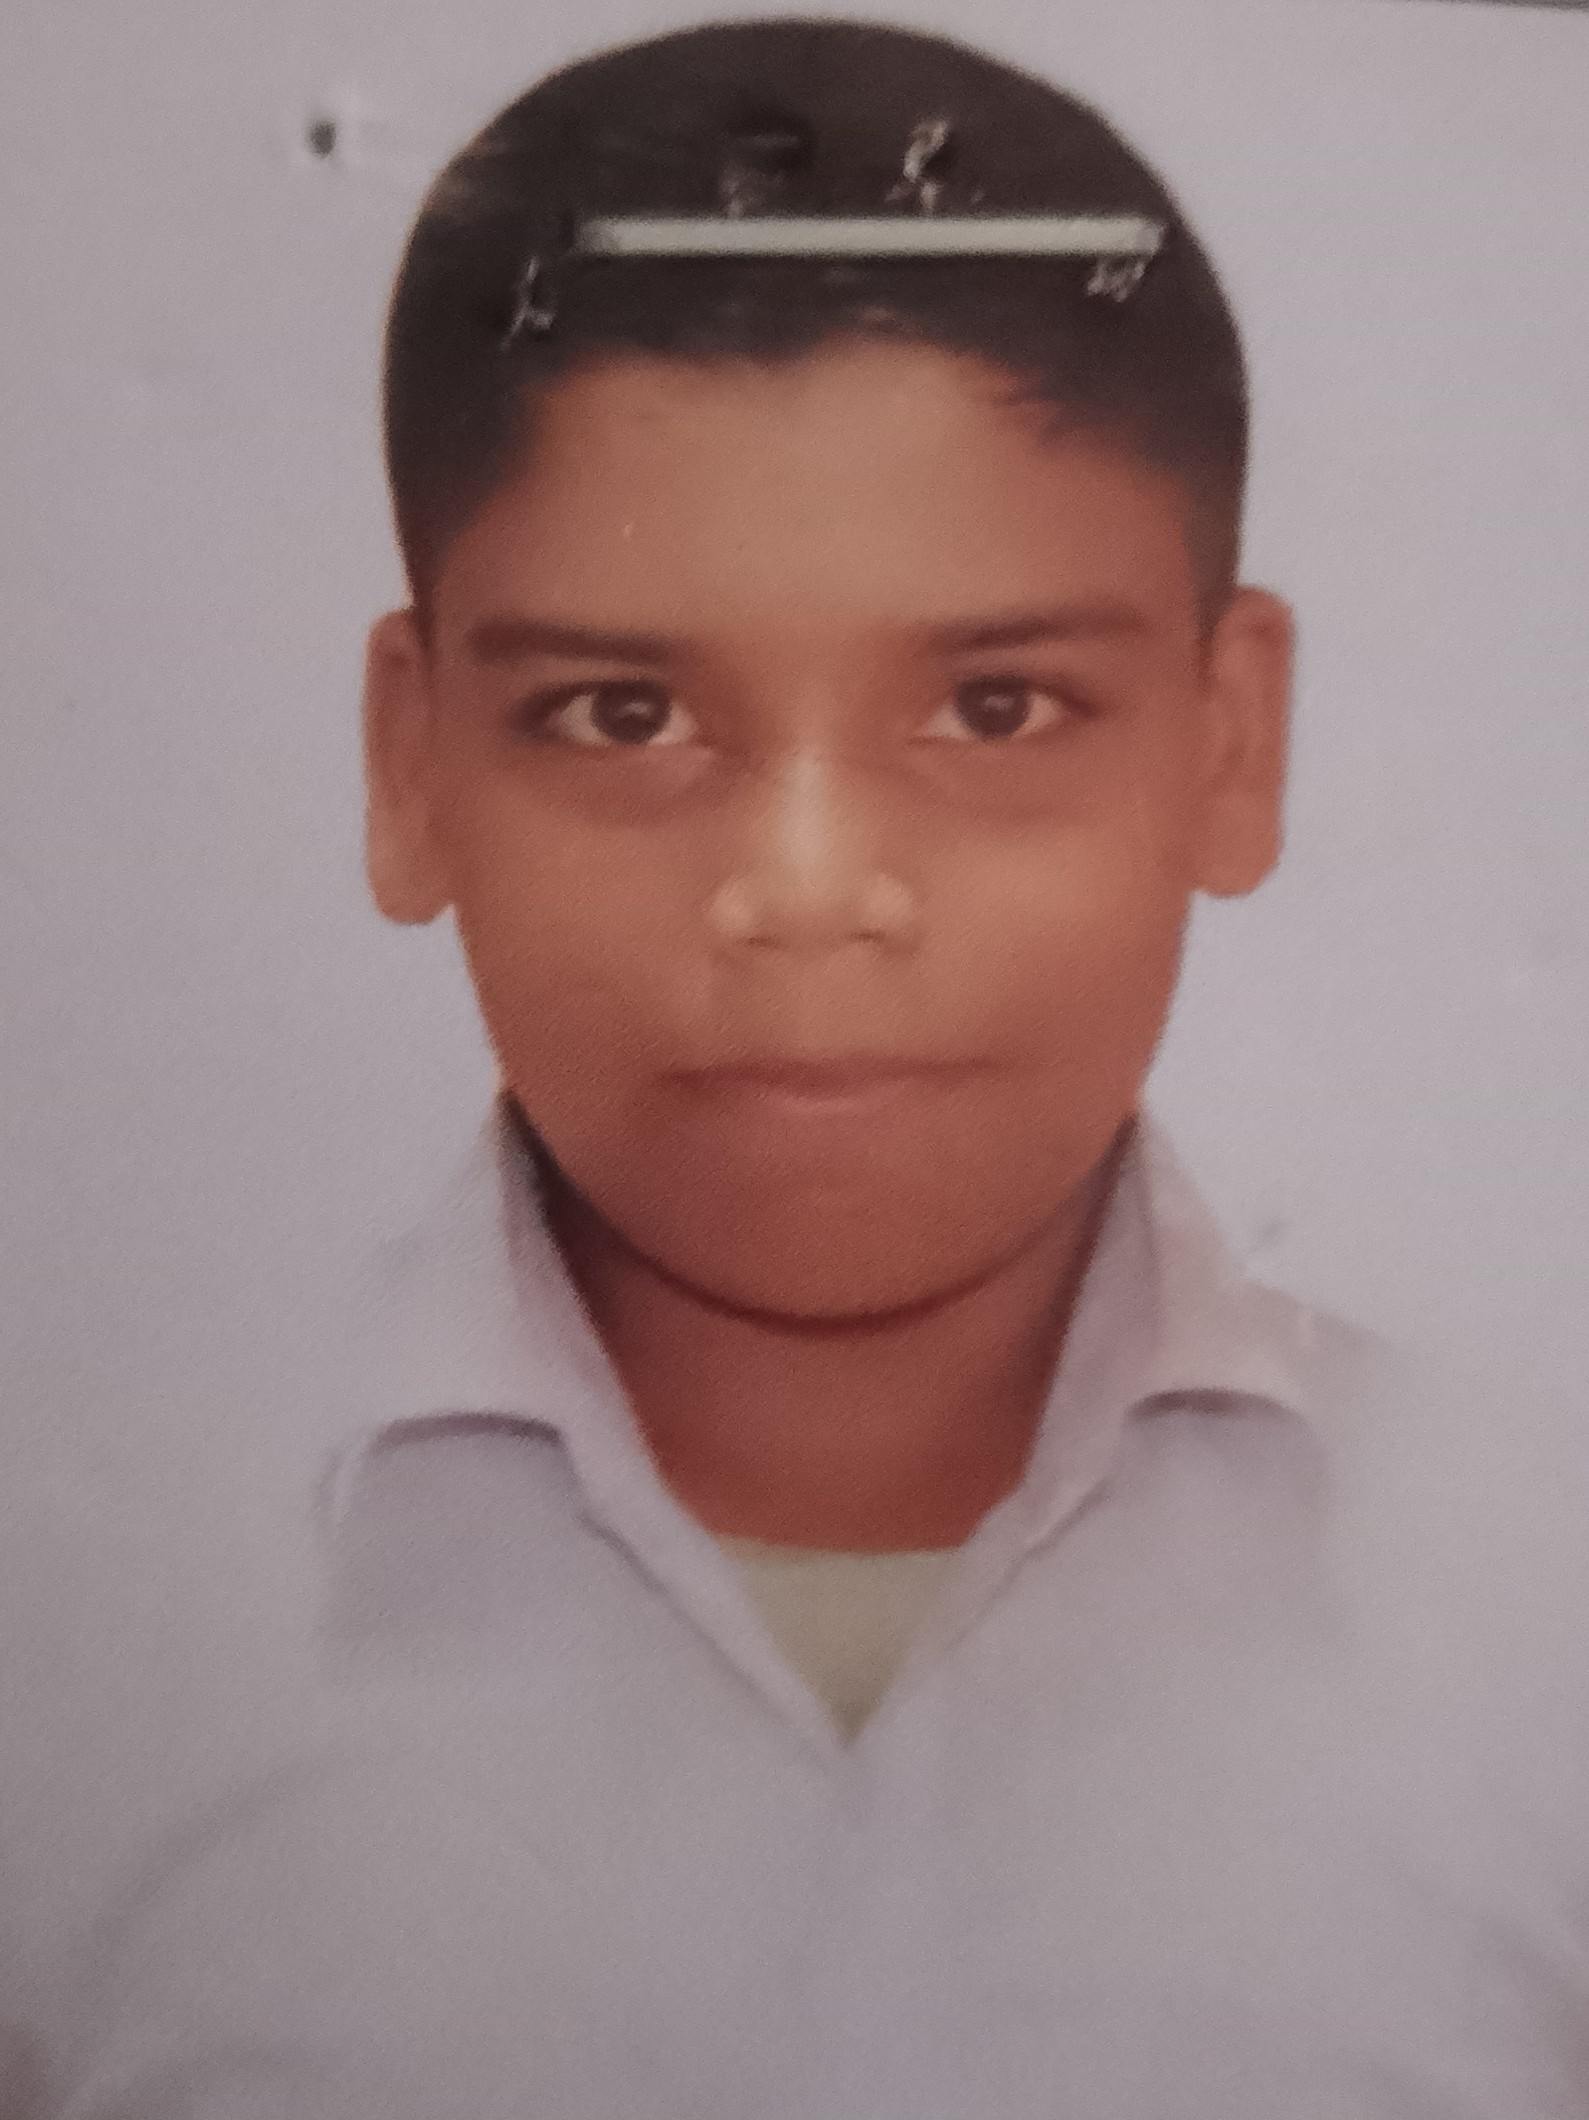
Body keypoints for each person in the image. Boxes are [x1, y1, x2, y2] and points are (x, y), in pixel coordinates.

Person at [18, 17, 1589, 2119]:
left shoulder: (1545, 1619)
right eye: (625, 717)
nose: (809, 890)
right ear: (411, 765)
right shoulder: (68, 1643)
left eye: (997, 709)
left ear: (1232, 741)